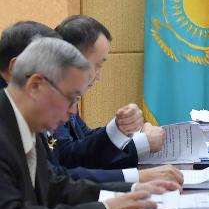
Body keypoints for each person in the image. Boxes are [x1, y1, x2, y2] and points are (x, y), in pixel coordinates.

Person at [0, 37, 180, 209]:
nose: (74, 112)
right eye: (71, 98)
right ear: (36, 86)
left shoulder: (25, 122)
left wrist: (132, 190)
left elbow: (55, 187)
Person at [52, 15, 180, 185]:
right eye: (98, 64)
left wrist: (123, 130)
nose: (98, 76)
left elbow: (85, 138)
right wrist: (141, 144)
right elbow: (67, 159)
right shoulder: (52, 98)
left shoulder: (65, 95)